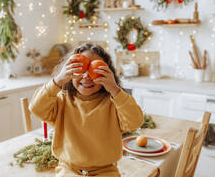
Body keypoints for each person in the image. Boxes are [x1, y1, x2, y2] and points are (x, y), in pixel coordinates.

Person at [29, 43, 144, 176]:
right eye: (80, 69)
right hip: (68, 170)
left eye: (95, 70)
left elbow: (135, 122)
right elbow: (36, 108)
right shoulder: (62, 100)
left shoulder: (114, 103)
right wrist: (58, 80)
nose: (86, 77)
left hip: (106, 171)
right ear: (69, 71)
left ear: (108, 73)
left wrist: (114, 89)